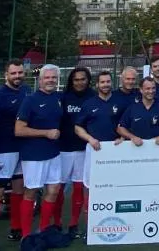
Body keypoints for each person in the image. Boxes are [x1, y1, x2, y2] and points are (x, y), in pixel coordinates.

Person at [14, 64, 64, 235]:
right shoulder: (30, 100)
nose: (50, 80)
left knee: (54, 190)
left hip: (54, 153)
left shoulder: (58, 98)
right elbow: (19, 130)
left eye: (53, 77)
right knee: (31, 192)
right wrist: (46, 133)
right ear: (40, 80)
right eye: (47, 77)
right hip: (34, 155)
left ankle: (42, 231)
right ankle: (26, 235)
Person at [0, 60, 28, 249]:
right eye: (13, 73)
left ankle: (16, 228)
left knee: (19, 188)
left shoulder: (27, 91)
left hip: (24, 147)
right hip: (4, 148)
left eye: (20, 73)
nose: (17, 76)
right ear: (6, 75)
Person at [56, 67, 93, 237]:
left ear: (88, 80)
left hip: (83, 148)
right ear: (72, 81)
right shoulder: (63, 98)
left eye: (82, 79)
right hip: (63, 149)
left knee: (78, 187)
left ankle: (73, 224)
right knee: (58, 187)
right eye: (76, 79)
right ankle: (56, 223)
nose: (79, 82)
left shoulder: (93, 96)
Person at [74, 71, 121, 187]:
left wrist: (122, 137)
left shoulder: (120, 102)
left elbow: (126, 125)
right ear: (97, 85)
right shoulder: (88, 104)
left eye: (108, 81)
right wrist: (90, 139)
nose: (105, 84)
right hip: (95, 149)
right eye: (102, 82)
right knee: (92, 184)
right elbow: (77, 127)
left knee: (115, 183)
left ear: (112, 83)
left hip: (116, 149)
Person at [118, 77, 159, 144]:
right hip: (137, 149)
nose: (151, 91)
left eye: (153, 88)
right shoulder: (133, 108)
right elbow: (120, 128)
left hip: (158, 149)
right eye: (147, 88)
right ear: (141, 90)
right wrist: (132, 137)